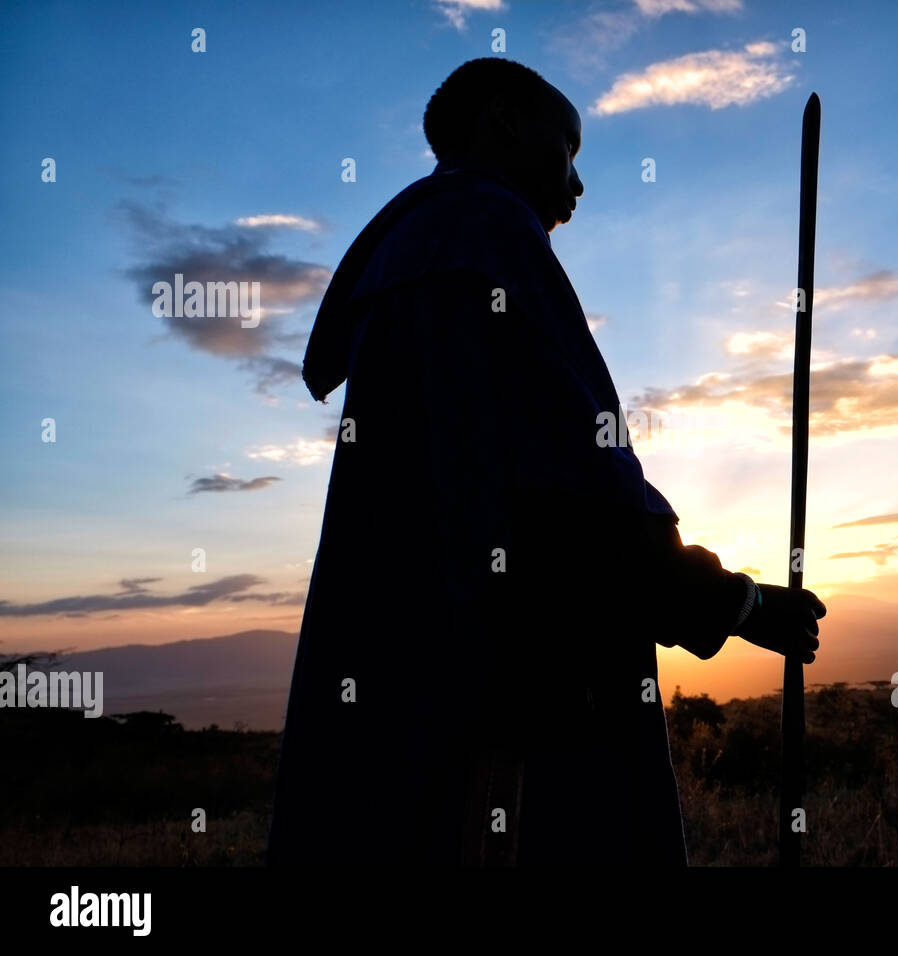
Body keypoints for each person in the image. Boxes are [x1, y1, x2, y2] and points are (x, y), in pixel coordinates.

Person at [266, 57, 826, 866]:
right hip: (506, 708)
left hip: (409, 696)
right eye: (568, 147)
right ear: (501, 122)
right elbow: (577, 497)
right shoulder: (487, 239)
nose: (579, 183)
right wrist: (735, 605)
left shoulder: (417, 256)